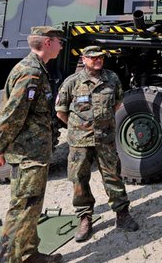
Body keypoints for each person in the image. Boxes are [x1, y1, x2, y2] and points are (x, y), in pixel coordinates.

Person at [0, 26, 64, 263]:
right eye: (59, 41)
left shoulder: (35, 69)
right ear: (48, 43)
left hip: (34, 151)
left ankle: (29, 255)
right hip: (28, 153)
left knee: (31, 207)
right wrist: (0, 148)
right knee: (22, 208)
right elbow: (12, 114)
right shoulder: (31, 73)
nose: (62, 45)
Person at [54, 46, 139, 243]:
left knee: (113, 176)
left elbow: (118, 103)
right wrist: (78, 128)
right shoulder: (72, 82)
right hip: (79, 142)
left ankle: (122, 214)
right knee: (79, 179)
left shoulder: (112, 78)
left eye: (100, 57)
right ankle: (85, 218)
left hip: (105, 139)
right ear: (84, 59)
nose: (98, 60)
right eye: (93, 58)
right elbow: (61, 111)